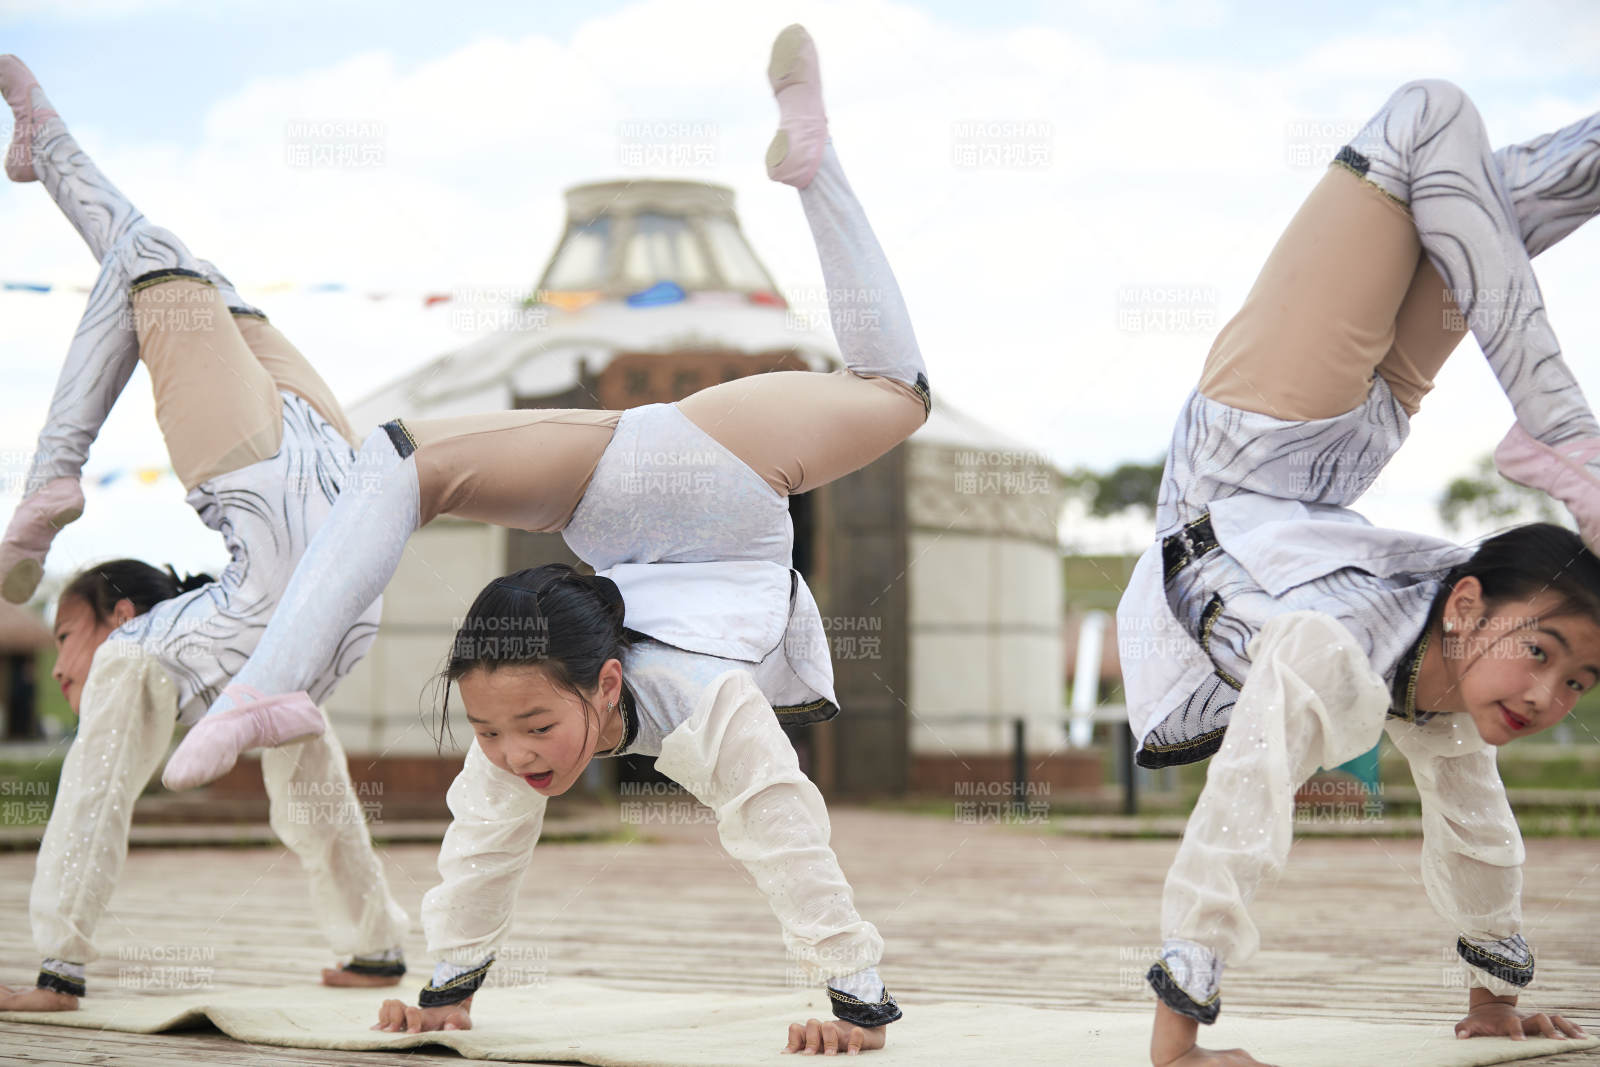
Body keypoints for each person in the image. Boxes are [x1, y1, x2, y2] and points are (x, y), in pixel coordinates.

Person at [155, 25, 927, 1057]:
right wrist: (446, 989)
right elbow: (481, 848)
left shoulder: (708, 704)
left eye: (525, 725)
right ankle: (268, 686)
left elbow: (784, 829)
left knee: (897, 395)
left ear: (607, 684)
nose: (513, 751)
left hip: (713, 472)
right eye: (489, 731)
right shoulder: (525, 713)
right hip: (612, 479)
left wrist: (854, 1001)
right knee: (398, 459)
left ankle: (813, 162)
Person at [1117, 80, 1600, 1066]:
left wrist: (1496, 999)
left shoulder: (1403, 671)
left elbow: (1469, 831)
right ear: (1466, 604)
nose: (1549, 695)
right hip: (1312, 450)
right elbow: (1250, 805)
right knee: (1456, 173)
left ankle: (1563, 439)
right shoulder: (1376, 648)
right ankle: (1565, 436)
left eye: (1580, 682)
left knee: (1435, 136)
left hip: (1253, 466)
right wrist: (1178, 1046)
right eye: (1544, 655)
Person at [0, 55, 409, 1010]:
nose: (67, 667)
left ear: (124, 609)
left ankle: (48, 150)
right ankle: (376, 943)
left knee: (166, 262)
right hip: (333, 521)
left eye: (70, 637)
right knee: (149, 254)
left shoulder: (147, 649)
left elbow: (95, 787)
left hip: (320, 535)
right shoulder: (218, 652)